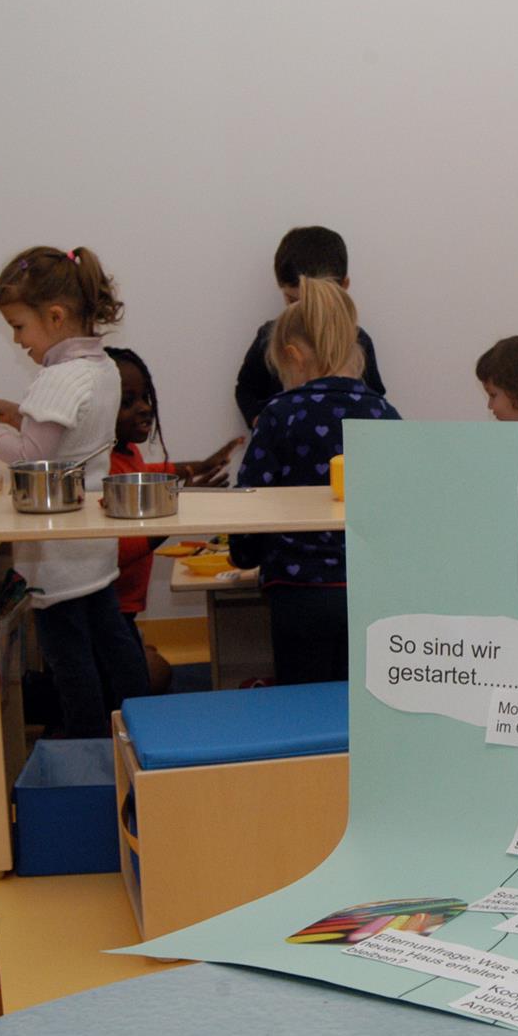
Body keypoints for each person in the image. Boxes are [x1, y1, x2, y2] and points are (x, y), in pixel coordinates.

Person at [0, 246, 150, 737]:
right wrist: (18, 413)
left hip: (57, 550)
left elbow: (30, 456)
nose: (16, 339)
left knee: (70, 659)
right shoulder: (102, 367)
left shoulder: (57, 379)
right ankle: (147, 728)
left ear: (56, 316)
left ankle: (86, 747)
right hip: (93, 540)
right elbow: (71, 434)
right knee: (111, 638)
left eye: (19, 326)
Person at [229, 277, 401, 684]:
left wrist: (243, 554)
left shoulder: (280, 415)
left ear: (293, 356)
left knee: (303, 700)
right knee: (364, 698)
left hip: (299, 590)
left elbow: (250, 503)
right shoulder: (385, 415)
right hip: (372, 591)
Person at [107, 346, 245, 691]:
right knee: (156, 675)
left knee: (147, 664)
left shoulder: (126, 451)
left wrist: (197, 466)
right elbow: (117, 552)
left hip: (125, 610)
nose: (144, 408)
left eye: (145, 397)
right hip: (111, 611)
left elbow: (150, 474)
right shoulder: (106, 465)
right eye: (127, 402)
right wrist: (179, 505)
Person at [234, 226, 387, 426]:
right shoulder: (271, 338)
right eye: (293, 301)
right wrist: (260, 422)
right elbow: (246, 389)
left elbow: (375, 398)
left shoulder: (357, 340)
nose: (305, 313)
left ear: (344, 287)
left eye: (316, 302)